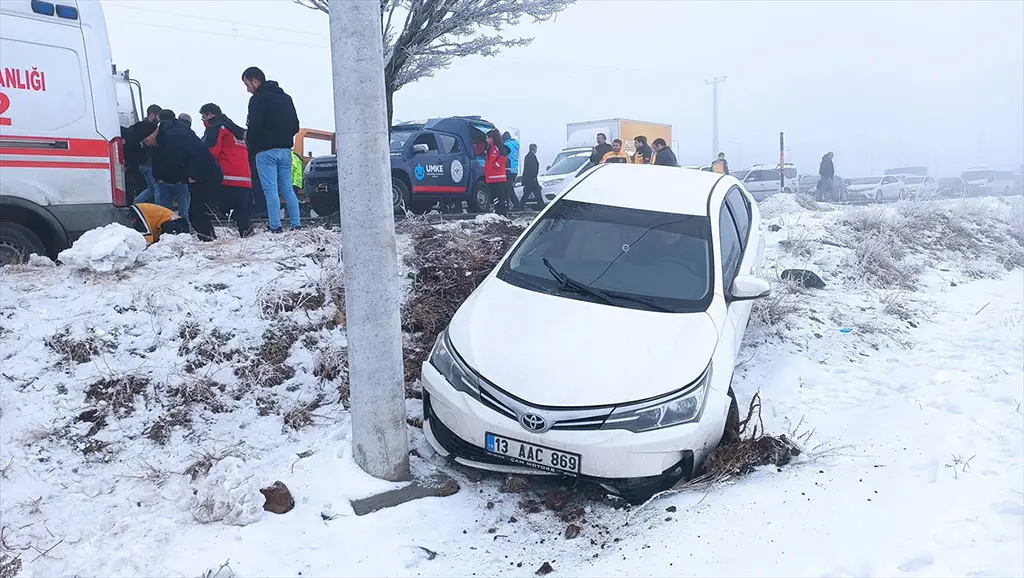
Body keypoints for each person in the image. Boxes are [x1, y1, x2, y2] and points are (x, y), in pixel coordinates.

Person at [143, 116, 224, 241]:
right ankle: (208, 239)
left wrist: (193, 174)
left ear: (151, 134)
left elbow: (200, 153)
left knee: (199, 212)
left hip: (206, 174)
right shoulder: (166, 138)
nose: (147, 144)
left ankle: (208, 241)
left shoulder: (174, 136)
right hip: (200, 175)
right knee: (197, 212)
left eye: (146, 141)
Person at [242, 66, 301, 232]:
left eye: (247, 84)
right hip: (285, 150)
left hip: (265, 151)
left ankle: (275, 226)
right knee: (288, 188)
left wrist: (251, 141)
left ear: (255, 81)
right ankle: (296, 224)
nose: (247, 89)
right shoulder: (286, 98)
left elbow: (255, 126)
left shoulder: (257, 99)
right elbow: (296, 125)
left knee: (270, 190)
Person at [200, 103, 254, 238]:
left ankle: (207, 236)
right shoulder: (238, 132)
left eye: (203, 117)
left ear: (210, 115)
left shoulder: (217, 128)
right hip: (245, 178)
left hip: (227, 176)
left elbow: (211, 152)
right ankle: (247, 233)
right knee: (240, 208)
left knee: (206, 206)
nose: (203, 121)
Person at [127, 104, 162, 203]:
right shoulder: (154, 128)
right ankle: (160, 213)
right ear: (152, 115)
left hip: (138, 163)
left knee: (151, 188)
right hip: (150, 162)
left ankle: (135, 205)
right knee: (157, 188)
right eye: (158, 116)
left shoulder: (136, 126)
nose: (159, 120)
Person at [484, 129, 510, 215]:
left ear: (491, 138)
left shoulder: (499, 147)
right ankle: (497, 212)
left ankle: (502, 213)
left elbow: (503, 157)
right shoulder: (489, 148)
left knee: (501, 196)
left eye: (487, 138)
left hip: (498, 177)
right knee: (494, 196)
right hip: (491, 177)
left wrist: (496, 165)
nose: (486, 140)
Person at [520, 143, 543, 209]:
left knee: (529, 192)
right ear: (535, 149)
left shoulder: (528, 156)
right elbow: (531, 168)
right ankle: (541, 205)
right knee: (536, 191)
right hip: (531, 179)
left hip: (529, 179)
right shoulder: (531, 157)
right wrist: (533, 177)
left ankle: (521, 205)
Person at [503, 131, 521, 211]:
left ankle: (516, 205)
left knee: (509, 189)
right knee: (508, 188)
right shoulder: (516, 145)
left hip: (508, 168)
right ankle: (509, 205)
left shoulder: (506, 145)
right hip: (515, 169)